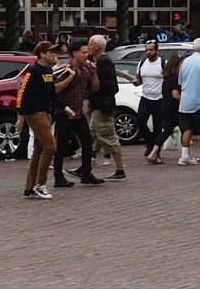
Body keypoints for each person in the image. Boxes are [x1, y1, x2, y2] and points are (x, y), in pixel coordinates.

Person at [52, 38, 104, 189]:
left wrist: (94, 74)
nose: (86, 55)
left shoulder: (87, 70)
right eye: (83, 53)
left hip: (78, 113)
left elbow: (94, 88)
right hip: (64, 112)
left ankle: (86, 173)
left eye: (87, 52)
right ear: (74, 54)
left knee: (87, 142)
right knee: (61, 145)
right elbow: (56, 89)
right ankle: (58, 177)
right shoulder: (65, 69)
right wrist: (70, 77)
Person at [16, 39, 65, 199]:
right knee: (51, 146)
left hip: (46, 113)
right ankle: (40, 184)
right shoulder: (33, 71)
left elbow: (51, 94)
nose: (54, 55)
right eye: (51, 52)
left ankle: (29, 187)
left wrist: (65, 107)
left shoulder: (49, 71)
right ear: (42, 54)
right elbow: (21, 93)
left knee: (38, 150)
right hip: (35, 114)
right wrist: (21, 116)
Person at [83, 34, 127, 181]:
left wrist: (93, 97)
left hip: (103, 106)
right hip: (98, 106)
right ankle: (85, 167)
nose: (87, 46)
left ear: (97, 46)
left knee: (107, 136)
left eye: (90, 44)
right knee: (91, 135)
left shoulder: (104, 62)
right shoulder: (97, 61)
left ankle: (120, 170)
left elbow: (109, 87)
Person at [175, 38, 200, 167]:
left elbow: (180, 82)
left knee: (187, 128)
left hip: (186, 101)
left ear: (193, 48)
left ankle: (184, 156)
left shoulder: (185, 62)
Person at [146, 53, 184, 163]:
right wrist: (184, 100)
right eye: (180, 64)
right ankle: (185, 154)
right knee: (185, 129)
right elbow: (175, 94)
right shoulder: (176, 78)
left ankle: (154, 153)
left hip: (165, 106)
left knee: (167, 130)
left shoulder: (166, 78)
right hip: (174, 108)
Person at [133, 38, 164, 157]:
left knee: (158, 126)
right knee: (140, 121)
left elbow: (167, 80)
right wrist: (137, 82)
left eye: (151, 50)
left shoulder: (162, 63)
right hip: (145, 97)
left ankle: (156, 152)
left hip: (159, 98)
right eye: (146, 50)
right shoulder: (142, 63)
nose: (148, 52)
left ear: (156, 50)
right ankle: (150, 142)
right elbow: (139, 79)